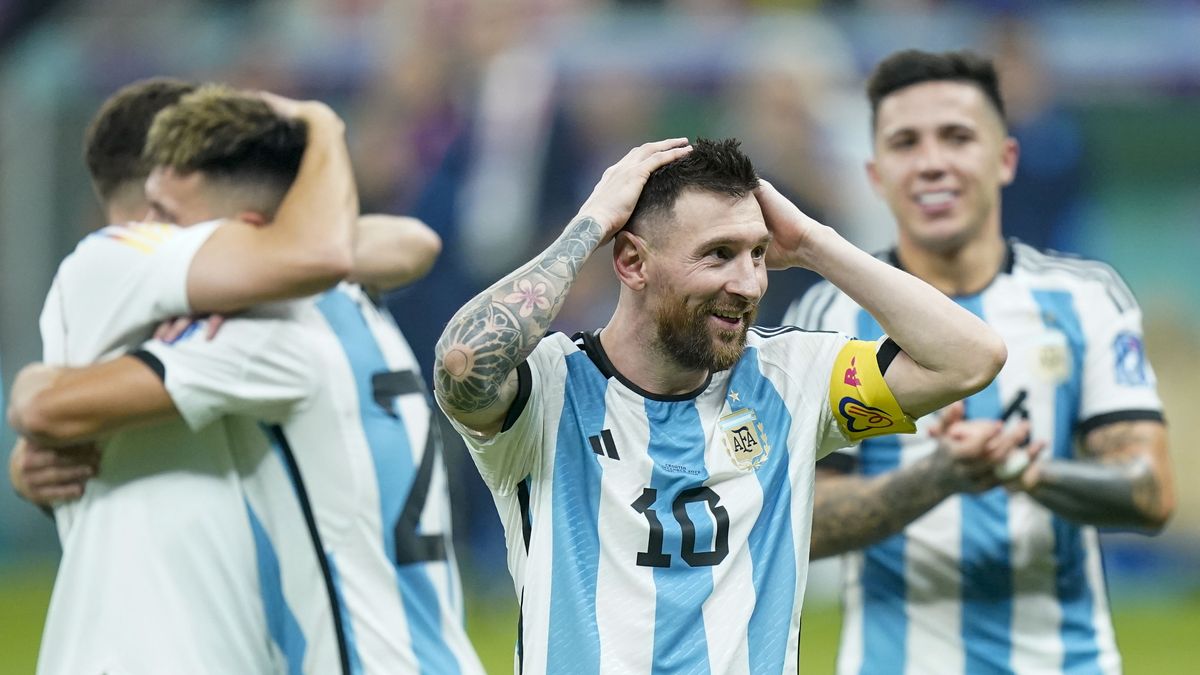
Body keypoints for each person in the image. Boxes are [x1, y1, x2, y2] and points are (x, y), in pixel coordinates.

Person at [432, 136, 1006, 673]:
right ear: (632, 262)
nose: (749, 283)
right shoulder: (547, 390)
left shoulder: (792, 378)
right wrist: (591, 225)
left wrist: (812, 243)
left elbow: (970, 358)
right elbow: (463, 361)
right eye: (719, 255)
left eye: (757, 253)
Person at [6, 81, 461, 674]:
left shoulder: (259, 330)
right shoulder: (328, 304)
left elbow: (45, 408)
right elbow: (402, 243)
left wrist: (36, 389)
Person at [784, 50, 1175, 675]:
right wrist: (936, 477)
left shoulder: (1085, 298)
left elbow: (1149, 491)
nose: (932, 162)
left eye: (957, 137)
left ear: (1006, 159)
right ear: (877, 174)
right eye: (906, 143)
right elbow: (795, 521)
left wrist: (1023, 470)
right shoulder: (830, 314)